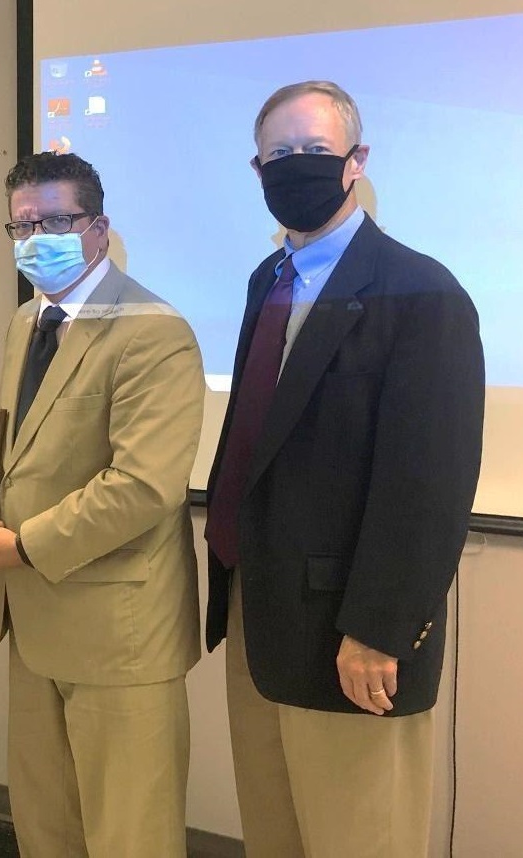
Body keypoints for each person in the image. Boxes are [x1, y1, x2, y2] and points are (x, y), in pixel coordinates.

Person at [204, 81, 484, 857]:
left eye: (315, 151)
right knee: (276, 834)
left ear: (356, 161)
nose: (296, 167)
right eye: (279, 155)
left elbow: (429, 484)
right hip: (260, 614)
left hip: (354, 639)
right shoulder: (269, 281)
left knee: (360, 839)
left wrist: (377, 631)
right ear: (256, 169)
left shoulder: (422, 291)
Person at [0, 152, 205, 856]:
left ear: (98, 228)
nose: (37, 237)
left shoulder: (153, 331)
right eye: (23, 224)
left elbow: (143, 487)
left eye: (56, 220)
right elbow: (20, 455)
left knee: (130, 833)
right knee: (47, 824)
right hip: (34, 621)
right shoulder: (24, 323)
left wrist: (26, 544)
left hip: (118, 631)